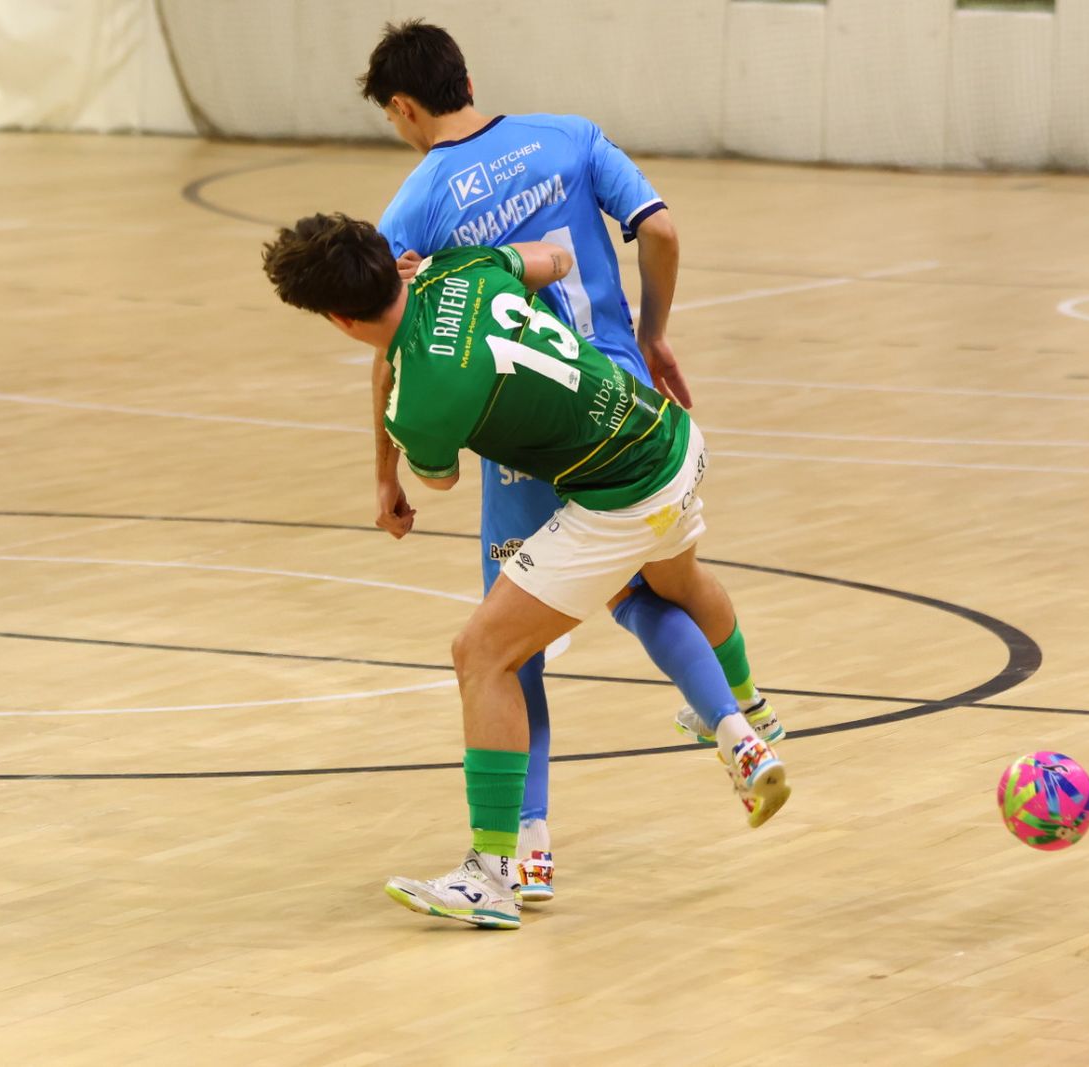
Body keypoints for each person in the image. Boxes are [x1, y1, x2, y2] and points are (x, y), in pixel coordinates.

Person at [261, 213, 792, 930]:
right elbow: (553, 259)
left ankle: (492, 874)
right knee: (663, 589)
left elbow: (440, 477)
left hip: (621, 496)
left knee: (483, 653)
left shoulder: (420, 402)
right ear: (394, 259)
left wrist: (404, 394)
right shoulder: (459, 268)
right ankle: (742, 720)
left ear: (337, 319)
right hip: (669, 440)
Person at [359, 19, 781, 901]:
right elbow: (660, 230)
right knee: (655, 585)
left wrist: (386, 477)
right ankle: (744, 724)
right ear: (466, 75)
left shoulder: (417, 201)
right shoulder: (570, 135)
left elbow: (390, 340)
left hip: (525, 441)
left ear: (405, 107)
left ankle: (526, 853)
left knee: (507, 650)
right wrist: (654, 333)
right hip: (620, 406)